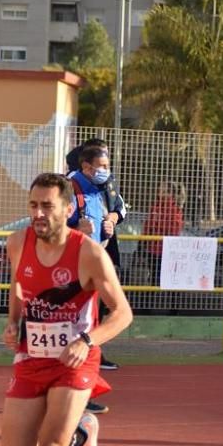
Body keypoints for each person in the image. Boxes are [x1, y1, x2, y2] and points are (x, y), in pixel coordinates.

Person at [1, 172, 133, 446]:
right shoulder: (17, 243)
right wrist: (12, 324)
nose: (38, 214)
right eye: (33, 205)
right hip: (32, 356)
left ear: (68, 208)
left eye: (47, 206)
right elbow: (19, 288)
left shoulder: (89, 253)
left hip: (75, 361)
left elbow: (123, 313)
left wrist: (87, 340)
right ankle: (82, 432)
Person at [66, 141, 127, 412]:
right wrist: (74, 227)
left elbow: (120, 208)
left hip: (95, 266)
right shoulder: (67, 187)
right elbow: (48, 222)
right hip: (71, 268)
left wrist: (112, 219)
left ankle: (80, 391)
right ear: (86, 166)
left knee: (88, 327)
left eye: (108, 165)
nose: (106, 171)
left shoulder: (105, 186)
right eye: (102, 166)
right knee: (73, 328)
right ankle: (67, 390)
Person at [141, 181, 186, 314]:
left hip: (167, 251)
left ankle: (173, 310)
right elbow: (148, 226)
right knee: (153, 279)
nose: (159, 192)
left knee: (170, 280)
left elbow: (173, 229)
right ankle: (146, 309)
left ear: (170, 193)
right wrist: (145, 239)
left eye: (163, 190)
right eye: (159, 189)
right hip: (153, 250)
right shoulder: (156, 207)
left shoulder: (174, 208)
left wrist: (157, 227)